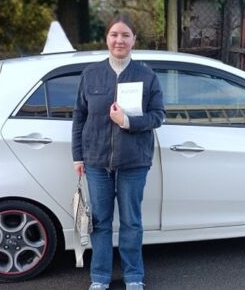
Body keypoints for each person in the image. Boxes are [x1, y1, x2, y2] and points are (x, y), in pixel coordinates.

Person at [71, 15, 165, 290]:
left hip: (134, 162)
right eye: (114, 34)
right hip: (97, 162)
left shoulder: (147, 76)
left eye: (125, 35)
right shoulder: (91, 74)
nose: (119, 40)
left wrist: (128, 122)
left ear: (134, 40)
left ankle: (133, 276)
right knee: (100, 222)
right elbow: (79, 117)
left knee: (131, 222)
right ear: (107, 39)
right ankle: (99, 278)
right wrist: (78, 156)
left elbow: (158, 116)